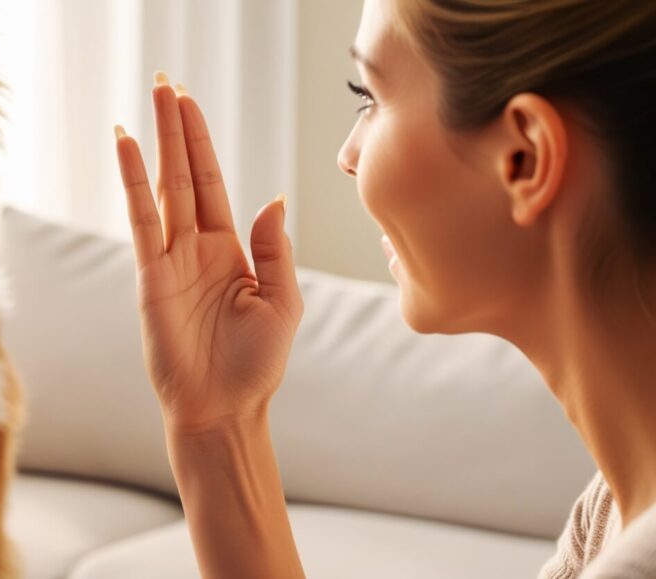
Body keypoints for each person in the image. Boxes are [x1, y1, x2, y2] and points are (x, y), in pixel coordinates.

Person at [112, 0, 656, 577]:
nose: (347, 156)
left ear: (524, 158)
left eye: (368, 96)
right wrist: (220, 423)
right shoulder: (610, 515)